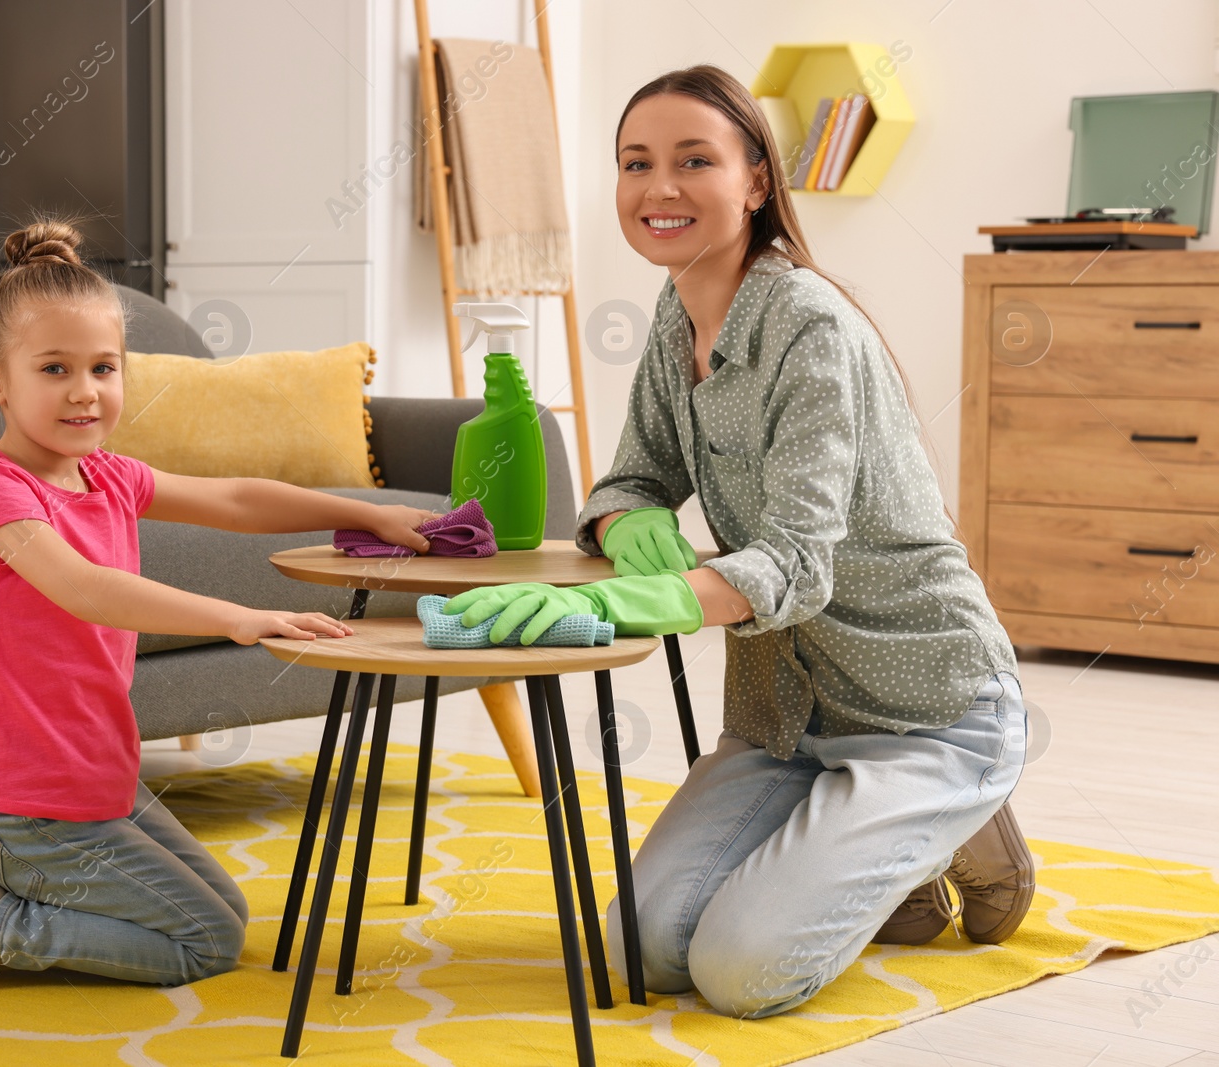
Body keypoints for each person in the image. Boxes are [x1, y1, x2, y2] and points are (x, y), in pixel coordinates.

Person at [442, 65, 1033, 1018]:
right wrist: (629, 520)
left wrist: (606, 602)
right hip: (786, 715)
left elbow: (796, 564)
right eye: (637, 163)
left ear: (756, 181)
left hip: (924, 705)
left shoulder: (810, 330)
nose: (658, 188)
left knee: (741, 974)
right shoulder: (680, 314)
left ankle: (961, 812)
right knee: (643, 951)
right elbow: (631, 476)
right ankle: (883, 856)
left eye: (693, 161)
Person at [0, 219, 438, 998]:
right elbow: (83, 585)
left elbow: (235, 497)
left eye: (102, 367)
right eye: (54, 368)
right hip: (23, 800)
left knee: (226, 908)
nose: (85, 390)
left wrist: (368, 513)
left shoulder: (107, 474)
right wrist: (236, 616)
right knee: (205, 941)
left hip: (91, 780)